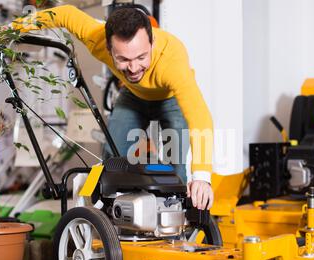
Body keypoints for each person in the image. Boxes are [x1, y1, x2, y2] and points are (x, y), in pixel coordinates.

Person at [11, 5, 214, 210]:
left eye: (141, 57)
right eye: (124, 59)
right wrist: (12, 29)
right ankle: (115, 214)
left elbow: (200, 117)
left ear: (152, 43)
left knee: (176, 164)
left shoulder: (173, 61)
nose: (134, 68)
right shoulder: (96, 37)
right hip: (133, 95)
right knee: (113, 159)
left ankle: (174, 218)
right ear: (108, 49)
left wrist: (203, 177)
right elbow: (64, 14)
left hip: (170, 100)